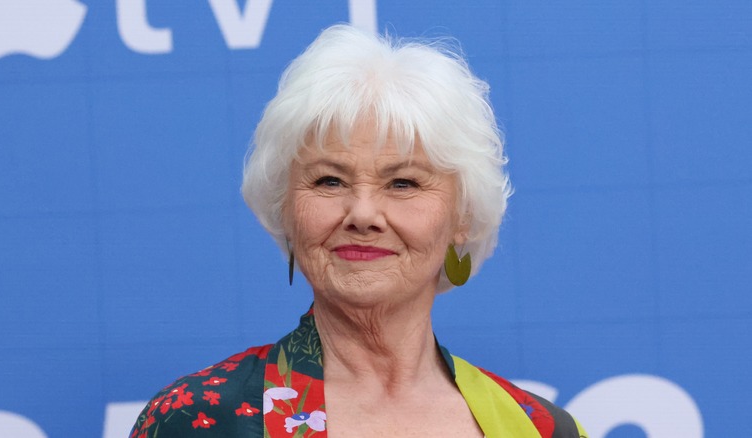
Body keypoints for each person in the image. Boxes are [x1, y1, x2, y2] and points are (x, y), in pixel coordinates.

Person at [130, 24, 587, 438]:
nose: (363, 213)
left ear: (462, 218)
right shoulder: (198, 420)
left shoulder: (543, 429)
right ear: (285, 209)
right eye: (329, 181)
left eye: (403, 183)